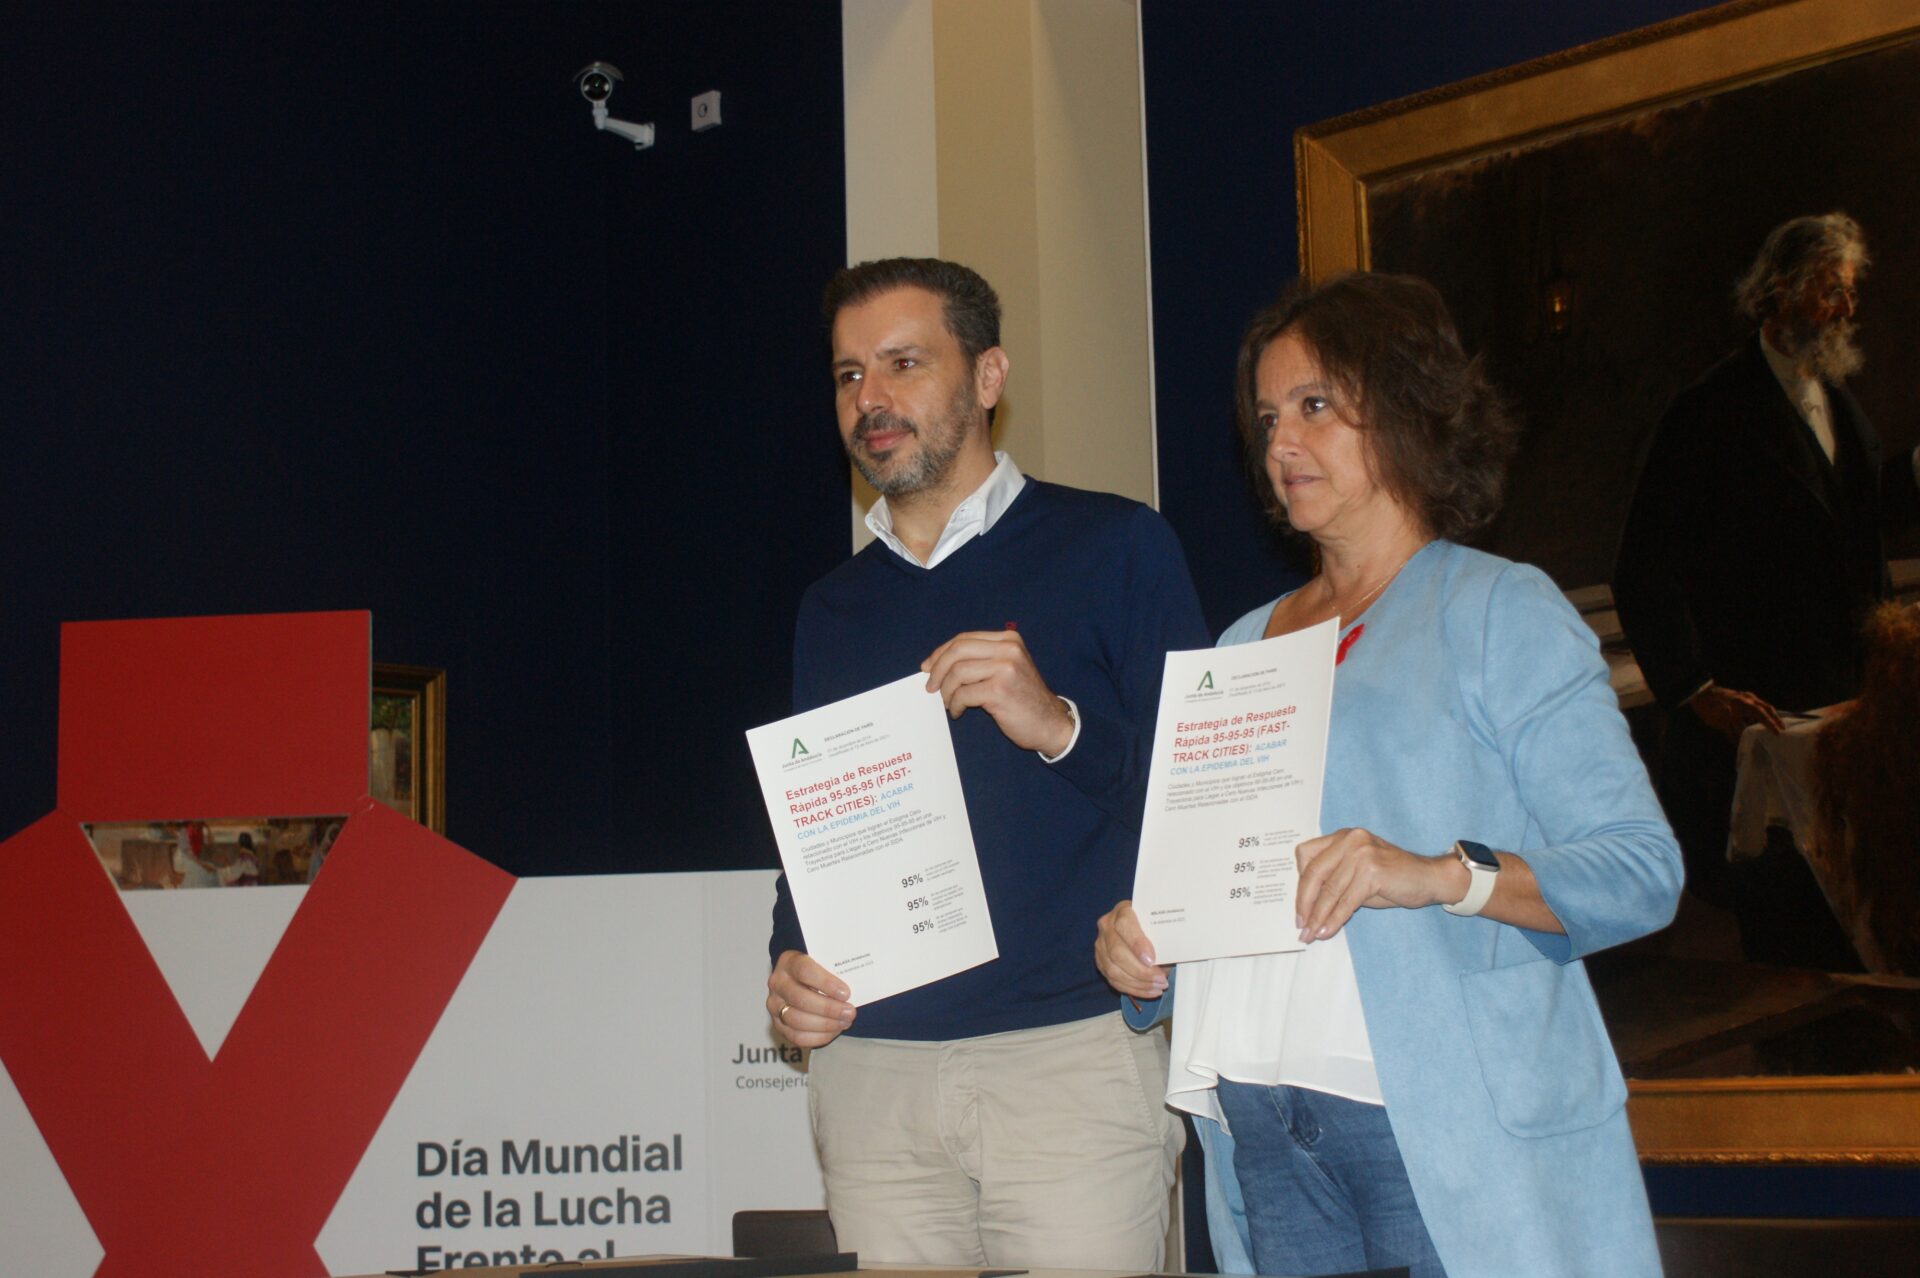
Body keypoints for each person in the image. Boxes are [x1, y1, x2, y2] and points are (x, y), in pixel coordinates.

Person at [1096, 272, 1683, 1278]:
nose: (1282, 444)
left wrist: (1439, 873)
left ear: (1409, 409)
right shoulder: (1240, 642)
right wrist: (1148, 952)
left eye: (1315, 405)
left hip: (1439, 1126)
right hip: (1258, 1123)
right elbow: (1220, 884)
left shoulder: (1500, 609)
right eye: (1268, 419)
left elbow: (1640, 871)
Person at [764, 258, 1205, 1268]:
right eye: (848, 374)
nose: (870, 398)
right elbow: (814, 839)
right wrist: (790, 963)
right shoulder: (831, 609)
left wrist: (1057, 725)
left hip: (1071, 1061)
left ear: (989, 376)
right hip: (872, 1079)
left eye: (904, 363)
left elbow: (1202, 805)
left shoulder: (1119, 547)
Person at [1614, 212, 1920, 913]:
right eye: (1830, 290)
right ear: (1780, 290)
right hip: (1760, 715)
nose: (1846, 308)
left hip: (1839, 711)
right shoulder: (1708, 412)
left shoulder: (1835, 400)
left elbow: (1859, 516)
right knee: (1780, 909)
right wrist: (1695, 688)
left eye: (1849, 291)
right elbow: (1642, 565)